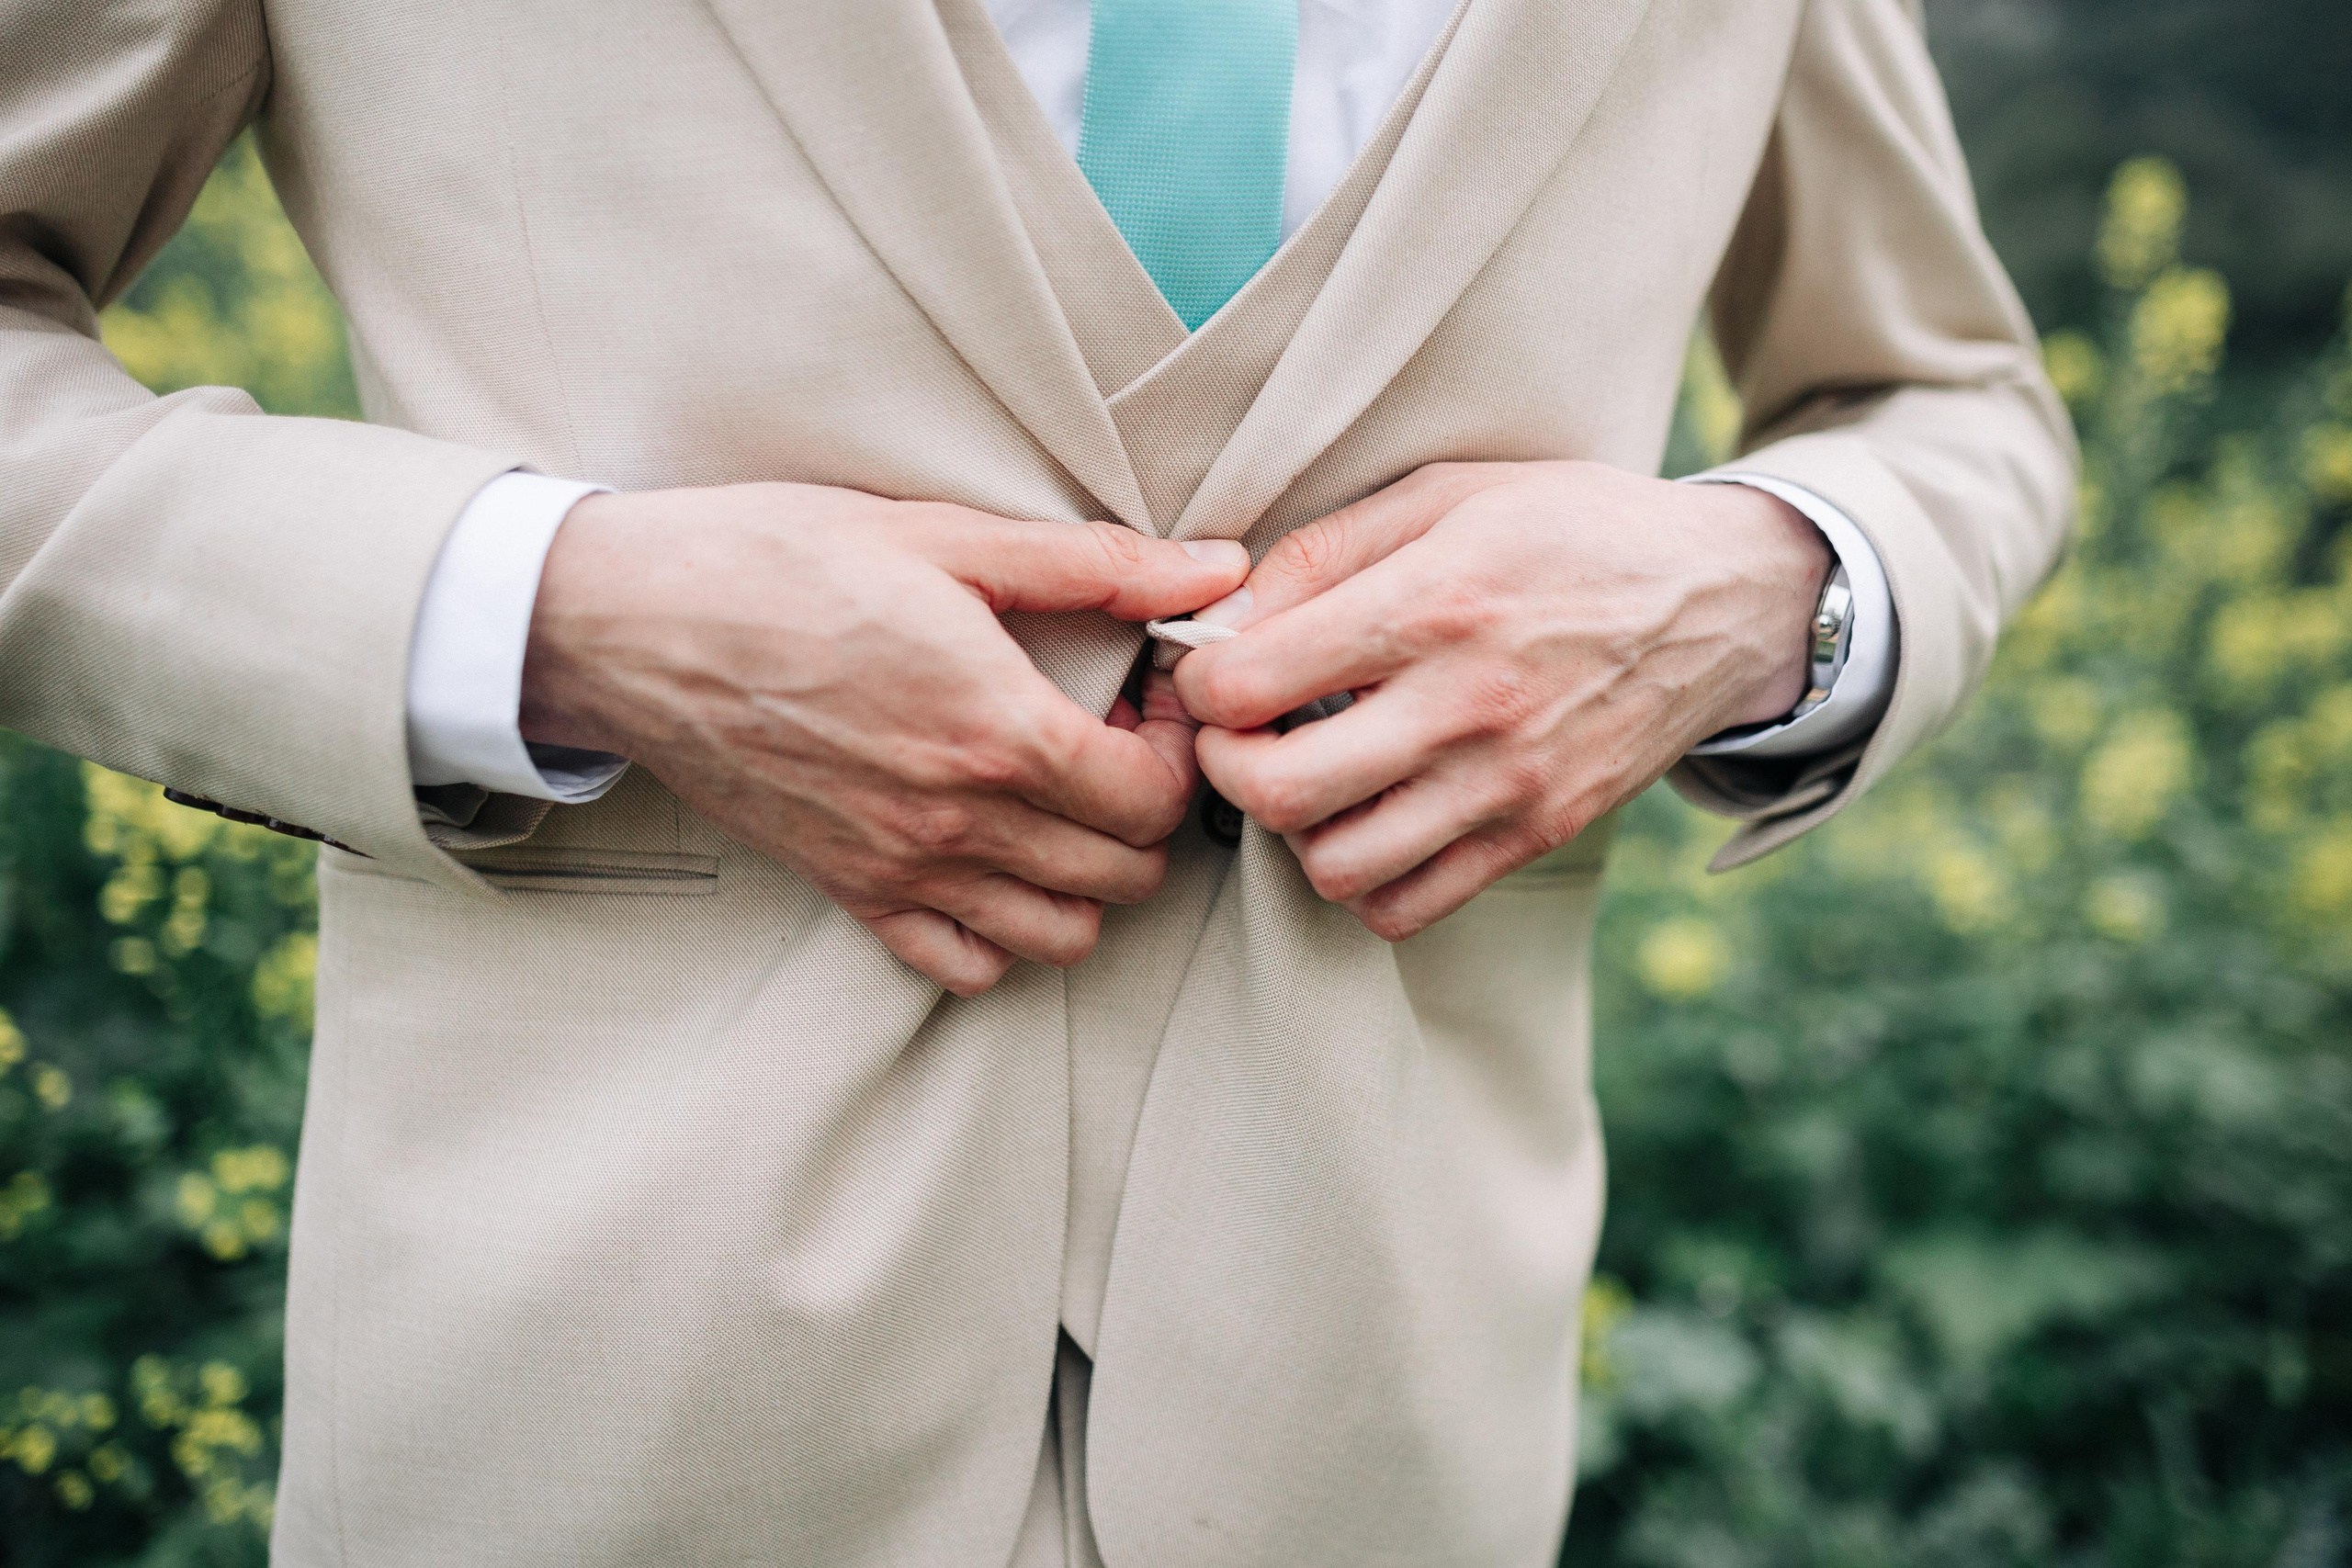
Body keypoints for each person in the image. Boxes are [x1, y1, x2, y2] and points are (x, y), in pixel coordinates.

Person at [0, 0, 2075, 1562]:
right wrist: (554, 608)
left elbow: (1942, 394)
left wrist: (1749, 584)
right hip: (591, 1399)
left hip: (1380, 1410)